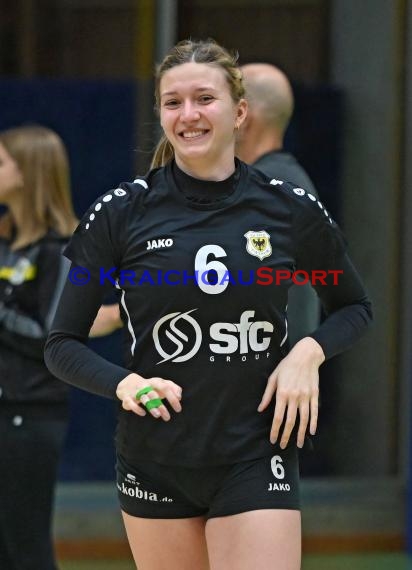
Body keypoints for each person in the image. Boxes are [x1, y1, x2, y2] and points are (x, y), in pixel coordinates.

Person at [45, 39, 372, 570]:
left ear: (239, 111)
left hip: (255, 450)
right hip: (156, 459)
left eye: (204, 98)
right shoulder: (121, 213)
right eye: (172, 102)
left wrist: (306, 353)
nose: (188, 114)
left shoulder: (287, 208)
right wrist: (125, 384)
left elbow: (354, 306)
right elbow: (62, 344)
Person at [0, 125, 117, 570]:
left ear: (28, 174)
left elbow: (52, 334)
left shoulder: (61, 250)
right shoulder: (4, 238)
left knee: (24, 544)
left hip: (29, 414)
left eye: (1, 163)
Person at [237, 63, 320, 346]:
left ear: (244, 117)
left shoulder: (264, 188)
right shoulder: (287, 181)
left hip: (264, 380)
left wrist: (119, 315)